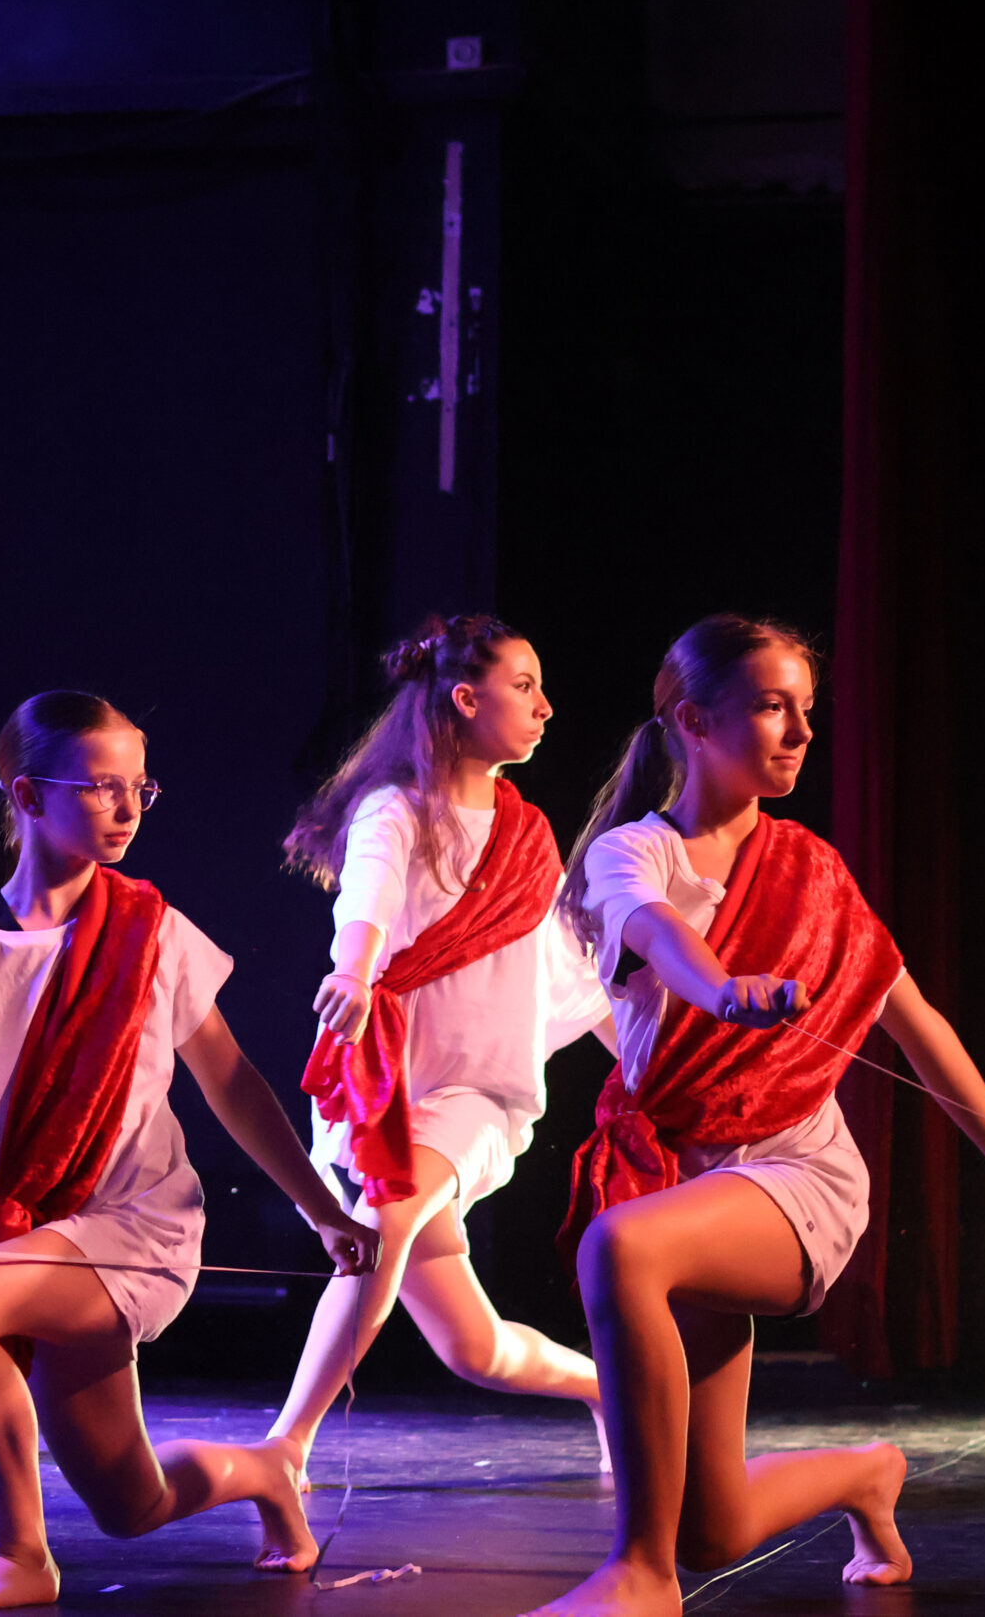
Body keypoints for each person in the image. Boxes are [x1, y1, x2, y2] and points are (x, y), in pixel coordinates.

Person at [0, 690, 379, 1611]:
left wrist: (321, 1207)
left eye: (140, 786)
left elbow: (232, 1082)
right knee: (130, 1502)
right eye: (102, 787)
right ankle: (265, 1471)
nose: (128, 807)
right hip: (36, 1234)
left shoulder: (150, 931)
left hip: (137, 1226)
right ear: (28, 796)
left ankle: (18, 1553)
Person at [532, 614, 985, 1617]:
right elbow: (660, 934)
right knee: (716, 1528)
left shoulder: (813, 869)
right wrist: (721, 988)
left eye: (807, 710)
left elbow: (914, 1020)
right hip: (686, 1179)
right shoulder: (631, 854)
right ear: (693, 721)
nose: (801, 732)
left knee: (619, 1248)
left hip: (793, 1178)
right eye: (772, 707)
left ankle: (637, 1574)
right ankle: (866, 1474)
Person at [270, 617, 608, 1481]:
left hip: (476, 1096)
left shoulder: (527, 836)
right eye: (524, 686)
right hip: (384, 1087)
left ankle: (287, 1444)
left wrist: (653, 1065)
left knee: (384, 1222)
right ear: (465, 698)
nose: (546, 706)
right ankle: (606, 1387)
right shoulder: (397, 809)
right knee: (475, 1348)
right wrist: (353, 970)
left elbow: (566, 972)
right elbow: (368, 899)